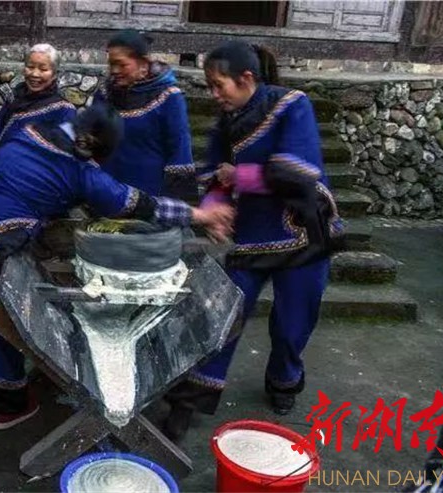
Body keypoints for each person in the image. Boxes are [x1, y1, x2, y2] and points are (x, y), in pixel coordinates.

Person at [0, 103, 234, 430]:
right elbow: (142, 205)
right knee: (3, 326)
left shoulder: (33, 132)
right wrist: (202, 215)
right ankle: (8, 406)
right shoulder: (82, 174)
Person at [162, 41, 345, 441]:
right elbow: (212, 173)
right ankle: (188, 401)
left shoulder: (293, 105)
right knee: (222, 315)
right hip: (253, 236)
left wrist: (239, 176)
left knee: (293, 322)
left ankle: (284, 380)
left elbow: (299, 173)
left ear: (246, 78)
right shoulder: (226, 122)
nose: (214, 94)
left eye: (219, 85)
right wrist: (214, 209)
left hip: (304, 233)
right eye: (210, 86)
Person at [92, 30, 196, 201]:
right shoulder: (104, 94)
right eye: (111, 64)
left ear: (143, 63)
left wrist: (172, 201)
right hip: (108, 191)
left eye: (122, 64)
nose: (115, 70)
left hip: (149, 194)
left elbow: (179, 149)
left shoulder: (169, 97)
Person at [0, 43, 76, 162]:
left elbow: (64, 157)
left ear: (54, 74)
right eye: (30, 67)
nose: (34, 74)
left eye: (43, 69)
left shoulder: (63, 110)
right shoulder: (14, 98)